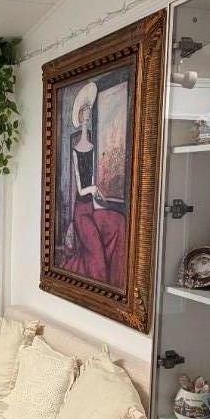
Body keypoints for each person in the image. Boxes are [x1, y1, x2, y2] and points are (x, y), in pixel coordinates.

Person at [64, 81, 126, 289]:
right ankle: (98, 285)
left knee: (119, 222)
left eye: (89, 111)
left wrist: (100, 200)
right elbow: (82, 188)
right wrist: (92, 189)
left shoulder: (95, 145)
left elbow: (95, 179)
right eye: (84, 112)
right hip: (81, 211)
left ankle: (116, 280)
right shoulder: (76, 150)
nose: (87, 115)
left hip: (94, 206)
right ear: (79, 116)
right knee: (95, 252)